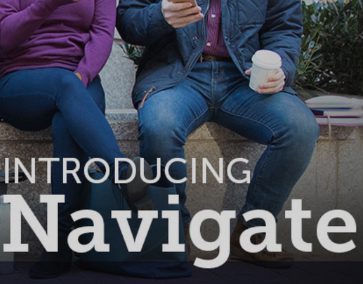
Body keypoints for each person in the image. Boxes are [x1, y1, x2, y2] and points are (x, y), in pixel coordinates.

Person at [117, 0, 317, 269]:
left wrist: (281, 68)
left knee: (300, 127)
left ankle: (253, 231)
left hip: (244, 79)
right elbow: (129, 20)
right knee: (160, 126)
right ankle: (171, 233)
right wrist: (161, 15)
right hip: (177, 76)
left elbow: (284, 27)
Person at [0, 0, 131, 278]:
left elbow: (103, 31)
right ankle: (124, 172)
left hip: (79, 77)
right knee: (66, 87)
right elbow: (6, 36)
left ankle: (60, 243)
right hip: (21, 80)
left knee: (69, 116)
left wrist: (83, 74)